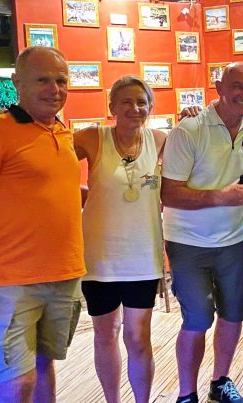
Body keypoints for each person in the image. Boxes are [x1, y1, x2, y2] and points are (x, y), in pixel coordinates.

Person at [0, 46, 86, 401]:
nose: (55, 89)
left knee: (45, 367)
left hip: (64, 277)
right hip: (10, 282)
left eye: (61, 80)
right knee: (18, 382)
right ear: (17, 82)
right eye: (43, 80)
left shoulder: (62, 132)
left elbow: (47, 191)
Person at [161, 62, 243, 403]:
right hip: (188, 242)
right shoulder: (190, 129)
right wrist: (222, 196)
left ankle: (220, 382)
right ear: (219, 88)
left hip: (234, 240)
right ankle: (186, 394)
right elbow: (169, 193)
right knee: (197, 320)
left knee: (234, 314)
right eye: (237, 86)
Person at [74, 75, 167, 403]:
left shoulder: (160, 140)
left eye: (142, 102)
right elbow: (49, 162)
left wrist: (194, 118)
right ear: (112, 106)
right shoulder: (93, 137)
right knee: (105, 334)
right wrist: (84, 195)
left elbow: (192, 164)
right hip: (100, 258)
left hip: (143, 257)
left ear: (150, 106)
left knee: (138, 338)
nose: (135, 108)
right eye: (126, 101)